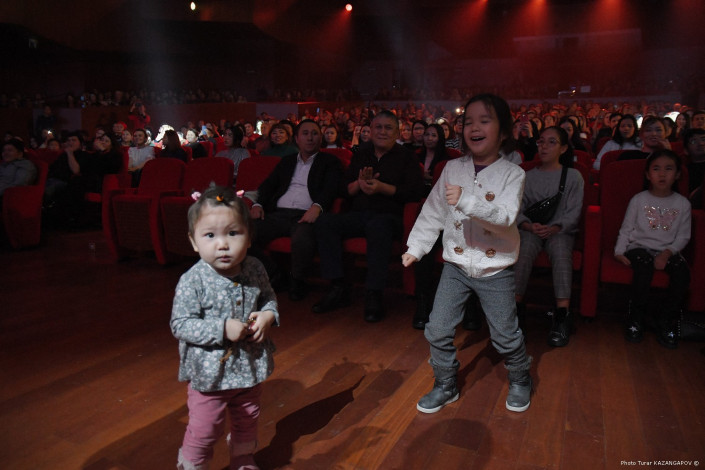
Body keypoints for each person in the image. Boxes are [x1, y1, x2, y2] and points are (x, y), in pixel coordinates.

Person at [403, 94, 533, 414]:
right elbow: (433, 212)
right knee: (437, 329)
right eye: (468, 122)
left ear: (503, 131)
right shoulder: (452, 168)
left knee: (504, 335)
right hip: (456, 266)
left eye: (484, 121)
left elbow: (505, 217)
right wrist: (416, 247)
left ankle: (520, 377)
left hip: (495, 268)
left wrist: (466, 201)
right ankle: (445, 384)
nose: (474, 127)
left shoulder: (512, 174)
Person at [171, 185, 278, 470]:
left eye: (233, 233)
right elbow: (180, 324)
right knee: (206, 428)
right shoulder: (193, 280)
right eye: (210, 235)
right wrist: (221, 329)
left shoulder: (255, 268)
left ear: (249, 236)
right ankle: (193, 463)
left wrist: (268, 315)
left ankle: (242, 457)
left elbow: (268, 297)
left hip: (249, 367)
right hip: (210, 376)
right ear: (194, 242)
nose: (222, 244)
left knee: (247, 419)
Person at [313, 110, 424, 322]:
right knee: (326, 222)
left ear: (397, 132)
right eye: (378, 127)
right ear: (371, 131)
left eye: (388, 128)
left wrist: (382, 188)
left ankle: (374, 293)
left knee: (378, 226)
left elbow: (415, 193)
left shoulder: (407, 157)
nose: (382, 132)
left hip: (390, 216)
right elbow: (343, 189)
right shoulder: (361, 154)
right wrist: (359, 184)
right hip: (359, 213)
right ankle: (338, 286)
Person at [248, 120, 342, 301]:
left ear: (320, 138)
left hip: (305, 215)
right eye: (305, 134)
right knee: (242, 235)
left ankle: (298, 280)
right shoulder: (287, 161)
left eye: (314, 133)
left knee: (302, 238)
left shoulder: (329, 162)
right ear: (297, 139)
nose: (310, 138)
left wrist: (317, 207)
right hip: (278, 214)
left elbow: (331, 189)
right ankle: (275, 273)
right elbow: (267, 186)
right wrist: (257, 205)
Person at [514, 127, 584, 347]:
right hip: (531, 228)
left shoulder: (573, 176)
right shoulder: (527, 176)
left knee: (561, 253)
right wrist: (528, 225)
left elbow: (573, 212)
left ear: (563, 148)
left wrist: (555, 227)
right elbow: (516, 208)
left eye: (551, 142)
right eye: (541, 141)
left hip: (560, 230)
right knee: (523, 251)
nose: (544, 146)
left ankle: (562, 315)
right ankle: (515, 312)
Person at [614, 150, 691, 349]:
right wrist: (619, 252)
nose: (662, 174)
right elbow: (626, 228)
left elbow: (683, 236)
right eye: (656, 169)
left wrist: (667, 253)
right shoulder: (639, 199)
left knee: (682, 272)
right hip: (639, 247)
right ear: (648, 174)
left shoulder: (683, 203)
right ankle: (636, 318)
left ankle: (666, 320)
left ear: (677, 174)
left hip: (668, 249)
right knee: (644, 266)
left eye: (668, 169)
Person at [0, 138, 37, 206]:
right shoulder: (4, 164)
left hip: (9, 199)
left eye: (10, 150)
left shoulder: (25, 165)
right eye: (4, 151)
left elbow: (19, 184)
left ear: (20, 154)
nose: (5, 153)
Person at [683, 128, 705, 208]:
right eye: (693, 141)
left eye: (704, 139)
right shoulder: (684, 171)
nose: (701, 143)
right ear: (686, 150)